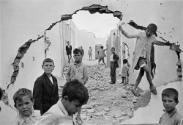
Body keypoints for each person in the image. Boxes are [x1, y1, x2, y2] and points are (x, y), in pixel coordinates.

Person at [118, 22, 172, 96]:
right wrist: (121, 29)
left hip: (145, 58)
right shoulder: (140, 34)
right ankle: (152, 86)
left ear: (153, 33)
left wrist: (167, 44)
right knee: (147, 70)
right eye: (148, 31)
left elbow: (157, 42)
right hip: (139, 58)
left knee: (141, 73)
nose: (149, 33)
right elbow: (128, 35)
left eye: (151, 32)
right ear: (147, 29)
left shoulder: (152, 37)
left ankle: (134, 88)